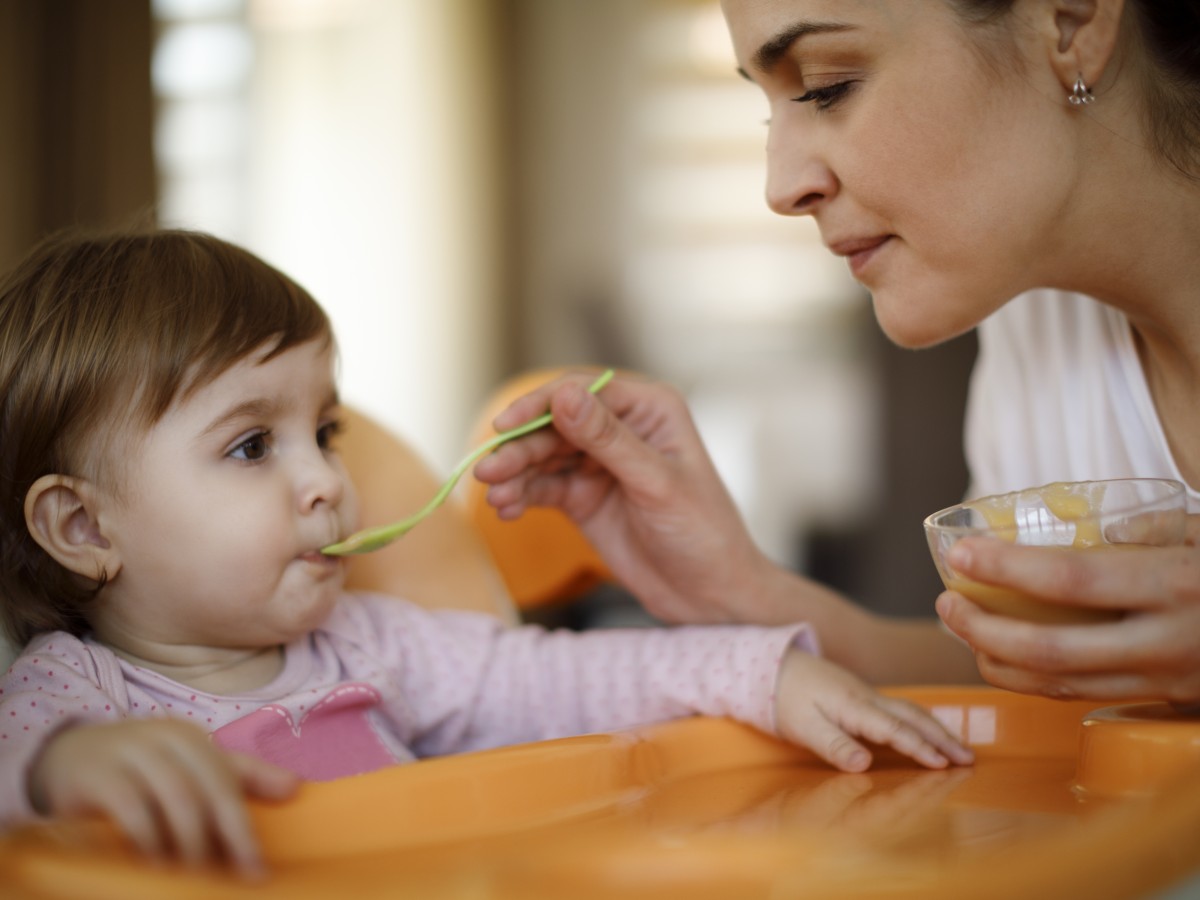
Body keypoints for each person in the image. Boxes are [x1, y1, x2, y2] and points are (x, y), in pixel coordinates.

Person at [0, 229, 970, 876]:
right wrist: (70, 766)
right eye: (253, 446)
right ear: (85, 530)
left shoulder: (375, 646)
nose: (327, 482)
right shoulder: (69, 701)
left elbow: (568, 681)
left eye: (326, 433)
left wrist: (766, 676)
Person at [474, 0, 1200, 708]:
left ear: (1070, 22)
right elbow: (1035, 683)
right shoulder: (1039, 323)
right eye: (770, 109)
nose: (780, 187)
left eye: (827, 86)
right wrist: (743, 590)